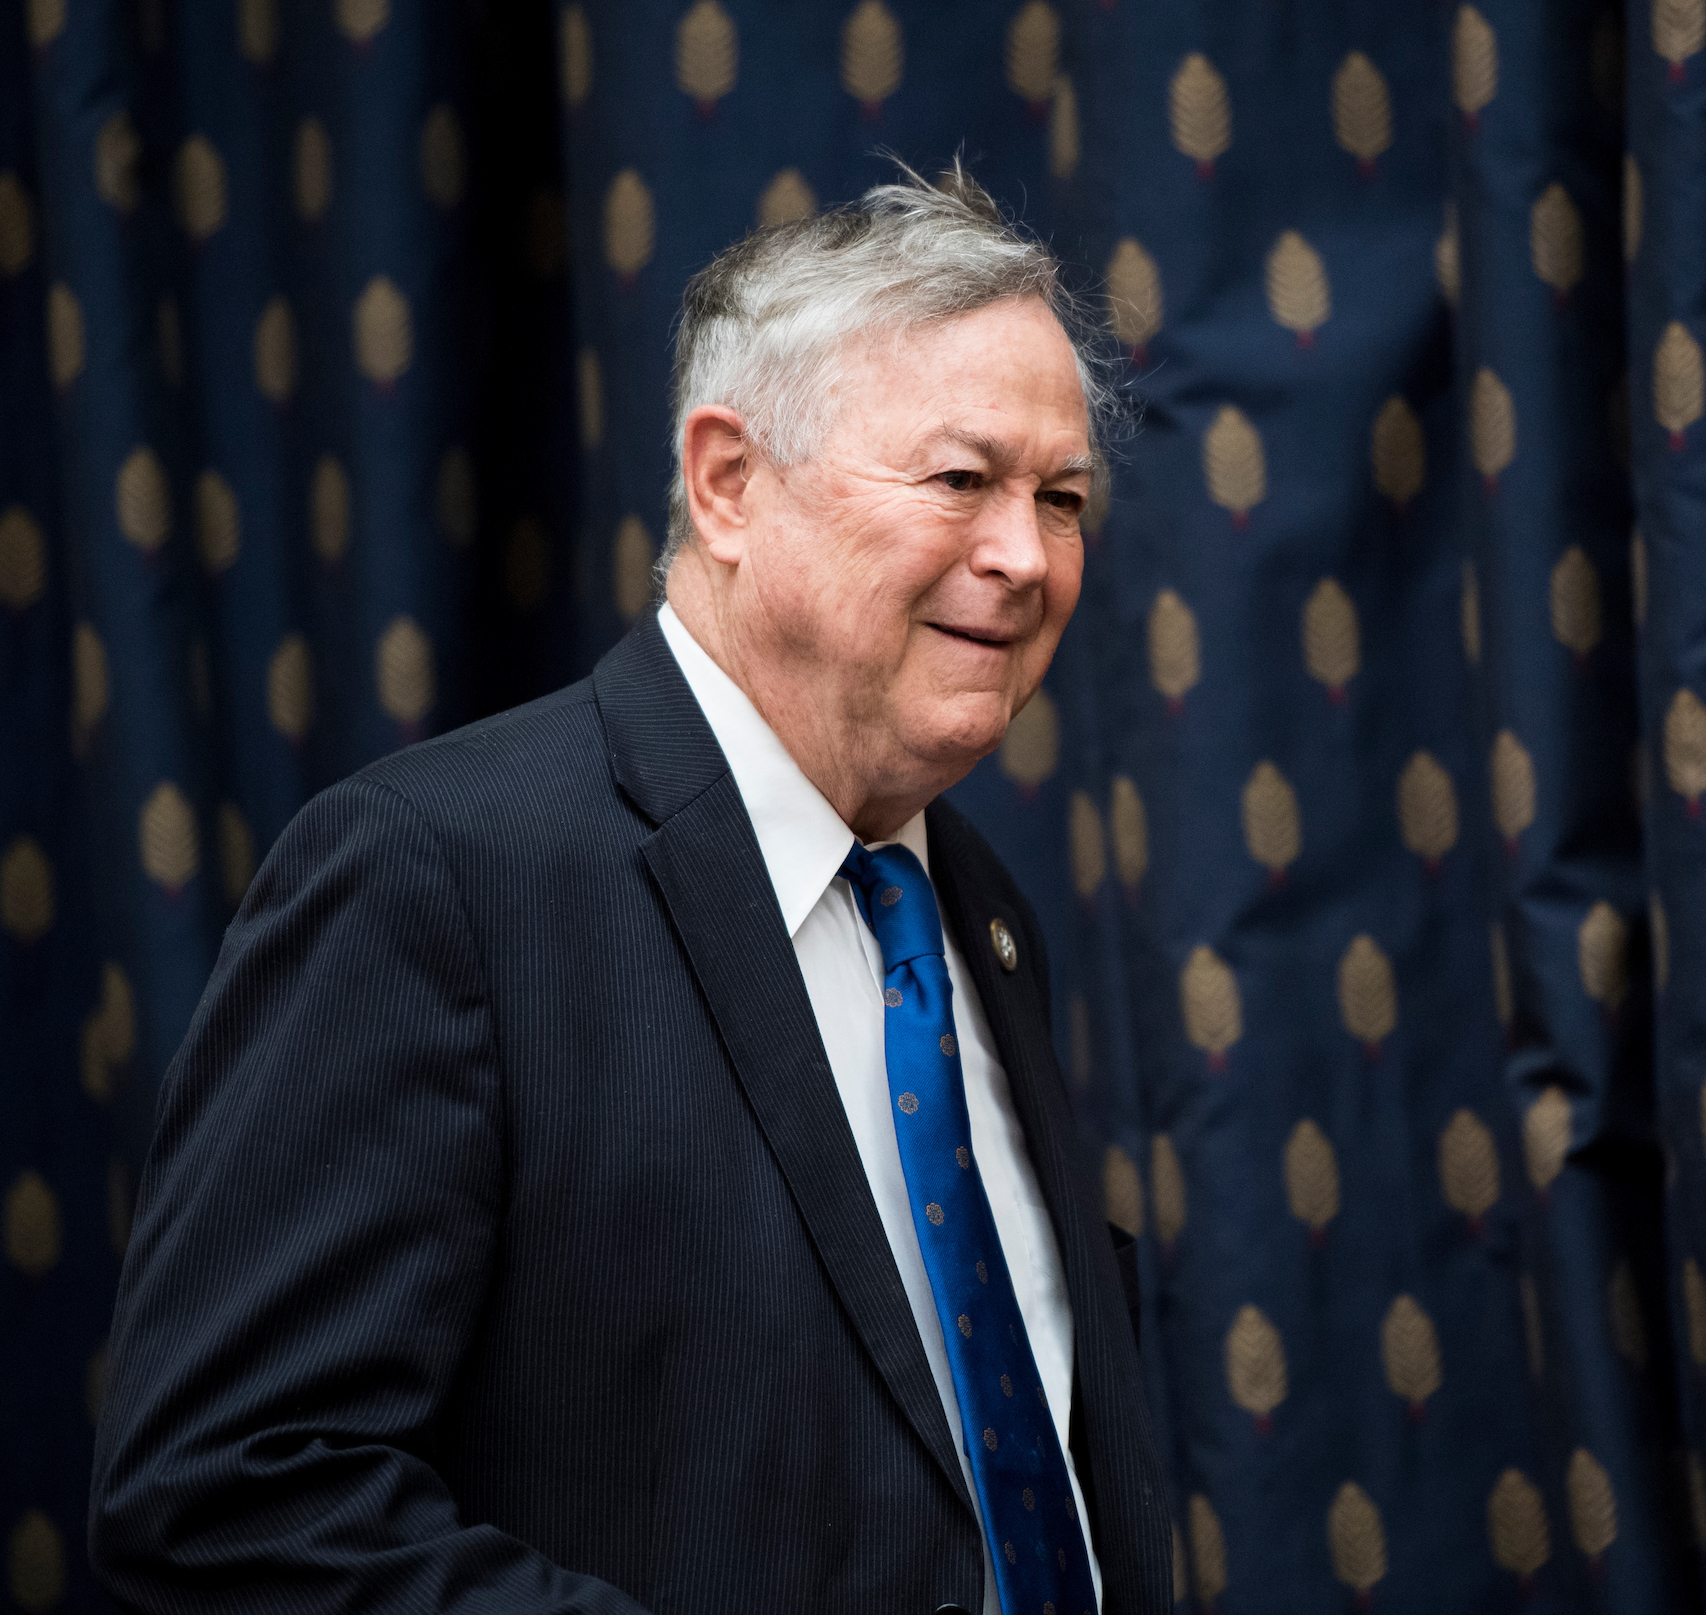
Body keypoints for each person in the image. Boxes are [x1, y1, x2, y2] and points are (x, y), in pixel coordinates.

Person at [89, 163, 1169, 1615]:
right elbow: (229, 1494)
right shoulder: (434, 878)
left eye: (1064, 498)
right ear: (728, 484)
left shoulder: (974, 914)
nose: (1026, 557)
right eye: (964, 480)